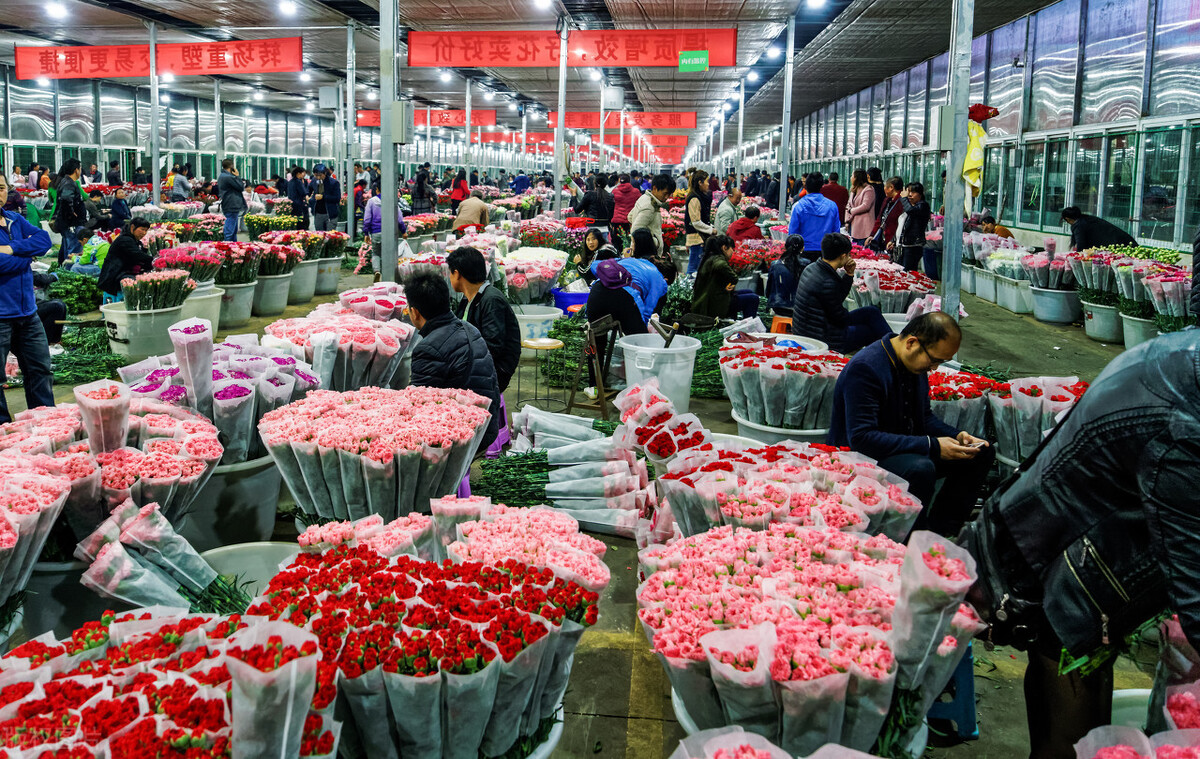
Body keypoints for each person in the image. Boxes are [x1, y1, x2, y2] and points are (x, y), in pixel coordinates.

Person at [958, 330, 1200, 759]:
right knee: (1068, 735)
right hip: (1069, 571)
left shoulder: (1183, 356)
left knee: (1064, 690)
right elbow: (1193, 584)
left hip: (1066, 552)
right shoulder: (1183, 428)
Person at [829, 311, 995, 536]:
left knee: (980, 452)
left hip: (902, 447)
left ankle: (943, 530)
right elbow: (862, 438)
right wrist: (932, 446)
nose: (935, 368)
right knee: (920, 469)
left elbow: (924, 417)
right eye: (934, 360)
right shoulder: (866, 368)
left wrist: (958, 437)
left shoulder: (914, 363)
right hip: (862, 457)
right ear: (912, 343)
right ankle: (911, 537)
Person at [406, 271, 501, 448]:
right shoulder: (469, 327)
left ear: (415, 312)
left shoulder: (428, 348)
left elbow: (418, 405)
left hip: (468, 434)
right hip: (488, 423)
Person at [0, 172, 56, 424]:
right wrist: (26, 258)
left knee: (40, 372)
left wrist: (13, 249)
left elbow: (44, 241)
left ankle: (46, 426)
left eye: (1, 187)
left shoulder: (13, 219)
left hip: (28, 314)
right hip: (1, 317)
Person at [791, 233, 890, 353]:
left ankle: (894, 346)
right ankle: (894, 353)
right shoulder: (827, 282)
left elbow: (836, 299)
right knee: (871, 330)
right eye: (849, 255)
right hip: (824, 338)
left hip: (809, 328)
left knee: (871, 311)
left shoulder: (812, 268)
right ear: (843, 256)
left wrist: (849, 274)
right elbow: (841, 319)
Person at [448, 246, 521, 393]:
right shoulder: (469, 298)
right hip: (477, 364)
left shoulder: (491, 300)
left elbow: (493, 347)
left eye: (450, 273)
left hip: (495, 370)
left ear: (456, 274)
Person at [691, 234, 758, 322]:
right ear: (724, 248)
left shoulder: (711, 258)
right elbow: (734, 277)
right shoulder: (719, 262)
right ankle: (748, 329)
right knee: (753, 299)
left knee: (749, 292)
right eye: (732, 249)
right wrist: (732, 283)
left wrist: (730, 284)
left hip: (714, 298)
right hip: (714, 305)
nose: (733, 252)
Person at [788, 173, 841, 258]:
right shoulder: (832, 206)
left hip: (804, 252)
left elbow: (792, 234)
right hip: (825, 252)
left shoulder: (798, 206)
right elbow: (836, 232)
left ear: (805, 186)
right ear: (821, 186)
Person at [97, 218, 155, 296]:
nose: (144, 233)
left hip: (123, 272)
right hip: (114, 276)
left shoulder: (135, 240)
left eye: (146, 230)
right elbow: (139, 256)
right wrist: (156, 261)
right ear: (132, 227)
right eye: (142, 229)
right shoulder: (124, 240)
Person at [628, 174, 674, 255]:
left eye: (669, 194)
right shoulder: (649, 207)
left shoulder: (645, 197)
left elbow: (630, 216)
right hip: (647, 254)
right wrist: (656, 242)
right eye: (665, 193)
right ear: (655, 188)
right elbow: (636, 231)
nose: (667, 197)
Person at [52, 159, 87, 265]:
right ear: (76, 170)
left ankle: (62, 269)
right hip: (72, 223)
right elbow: (66, 198)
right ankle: (69, 272)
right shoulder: (69, 183)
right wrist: (72, 213)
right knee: (74, 249)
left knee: (67, 246)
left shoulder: (65, 181)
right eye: (80, 168)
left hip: (68, 223)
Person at [893, 182, 931, 272]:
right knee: (900, 271)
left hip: (913, 246)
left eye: (913, 192)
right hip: (904, 245)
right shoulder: (911, 206)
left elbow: (911, 211)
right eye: (908, 192)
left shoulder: (923, 206)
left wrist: (904, 199)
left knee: (908, 272)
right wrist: (894, 240)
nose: (910, 195)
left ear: (920, 194)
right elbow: (902, 226)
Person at [1060, 206, 1137, 251]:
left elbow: (1081, 246)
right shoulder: (1087, 219)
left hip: (1122, 245)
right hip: (1125, 242)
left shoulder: (1079, 225)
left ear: (1067, 219)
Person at [767, 234, 807, 317]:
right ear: (802, 248)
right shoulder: (807, 265)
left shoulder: (775, 265)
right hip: (801, 308)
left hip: (778, 307)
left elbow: (768, 290)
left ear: (785, 247)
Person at [684, 170, 715, 274]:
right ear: (700, 183)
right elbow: (696, 222)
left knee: (697, 268)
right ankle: (689, 289)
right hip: (696, 239)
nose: (708, 184)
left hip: (699, 238)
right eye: (706, 181)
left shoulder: (699, 197)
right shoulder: (694, 198)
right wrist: (711, 230)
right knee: (693, 269)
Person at [868, 176, 906, 252]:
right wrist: (872, 234)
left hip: (893, 241)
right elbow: (880, 218)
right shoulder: (887, 200)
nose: (884, 188)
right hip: (883, 238)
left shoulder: (902, 202)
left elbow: (901, 224)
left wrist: (893, 240)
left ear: (891, 187)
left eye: (885, 186)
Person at [217, 160, 247, 242]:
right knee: (230, 228)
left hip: (228, 202)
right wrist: (237, 176)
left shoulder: (222, 175)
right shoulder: (229, 177)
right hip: (232, 203)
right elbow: (241, 187)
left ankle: (233, 246)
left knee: (233, 229)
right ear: (232, 166)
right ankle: (228, 245)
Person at [845, 169, 877, 245]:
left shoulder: (869, 189)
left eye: (852, 175)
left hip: (864, 228)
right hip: (853, 226)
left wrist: (851, 211)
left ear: (857, 177)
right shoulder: (853, 189)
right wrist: (847, 220)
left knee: (864, 252)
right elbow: (848, 205)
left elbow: (866, 206)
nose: (851, 177)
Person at [609, 174, 640, 245]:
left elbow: (611, 205)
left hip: (617, 221)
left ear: (620, 181)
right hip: (630, 221)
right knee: (630, 242)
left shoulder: (614, 191)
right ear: (629, 181)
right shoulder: (636, 192)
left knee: (617, 242)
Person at [309, 164, 341, 232]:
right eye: (316, 175)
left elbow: (337, 198)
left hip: (330, 214)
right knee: (319, 235)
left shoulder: (334, 183)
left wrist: (323, 197)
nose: (318, 177)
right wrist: (307, 195)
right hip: (318, 214)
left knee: (329, 237)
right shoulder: (314, 181)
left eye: (320, 175)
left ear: (325, 173)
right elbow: (308, 189)